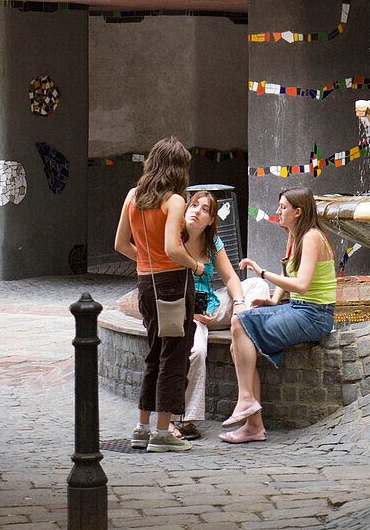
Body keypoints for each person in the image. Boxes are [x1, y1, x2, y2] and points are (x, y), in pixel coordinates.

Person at [222, 187, 337, 444]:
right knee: (238, 342)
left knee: (239, 321)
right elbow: (289, 277)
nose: (277, 212)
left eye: (283, 207)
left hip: (315, 315)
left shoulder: (312, 237)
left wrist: (261, 273)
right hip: (300, 309)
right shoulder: (295, 235)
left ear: (298, 212)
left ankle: (246, 402)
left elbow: (302, 284)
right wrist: (272, 300)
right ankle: (253, 422)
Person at [114, 135, 203, 453]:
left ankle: (142, 428)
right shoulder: (175, 200)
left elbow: (120, 244)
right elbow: (172, 248)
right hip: (173, 285)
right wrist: (195, 265)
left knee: (154, 352)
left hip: (145, 285)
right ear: (178, 169)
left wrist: (144, 260)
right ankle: (163, 433)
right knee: (174, 356)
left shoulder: (132, 197)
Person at [178, 190, 270, 438]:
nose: (197, 211)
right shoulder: (173, 239)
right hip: (184, 312)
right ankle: (187, 420)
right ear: (186, 209)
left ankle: (244, 329)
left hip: (211, 307)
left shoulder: (212, 241)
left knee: (257, 285)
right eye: (194, 205)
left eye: (205, 209)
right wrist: (192, 316)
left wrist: (239, 303)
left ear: (210, 219)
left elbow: (231, 277)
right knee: (196, 351)